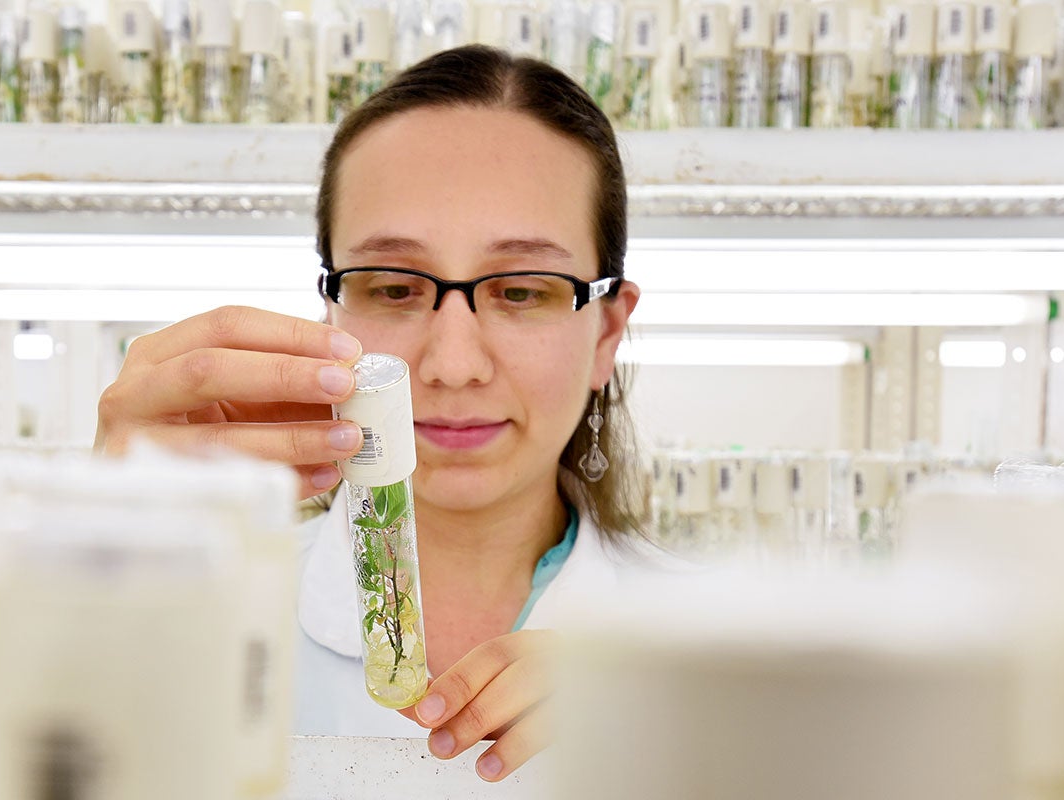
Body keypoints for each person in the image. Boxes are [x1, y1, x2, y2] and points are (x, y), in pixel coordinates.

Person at [95, 45, 662, 783]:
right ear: (330, 309)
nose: (453, 365)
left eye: (522, 290)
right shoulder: (190, 610)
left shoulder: (725, 658)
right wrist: (82, 574)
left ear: (607, 332)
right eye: (393, 287)